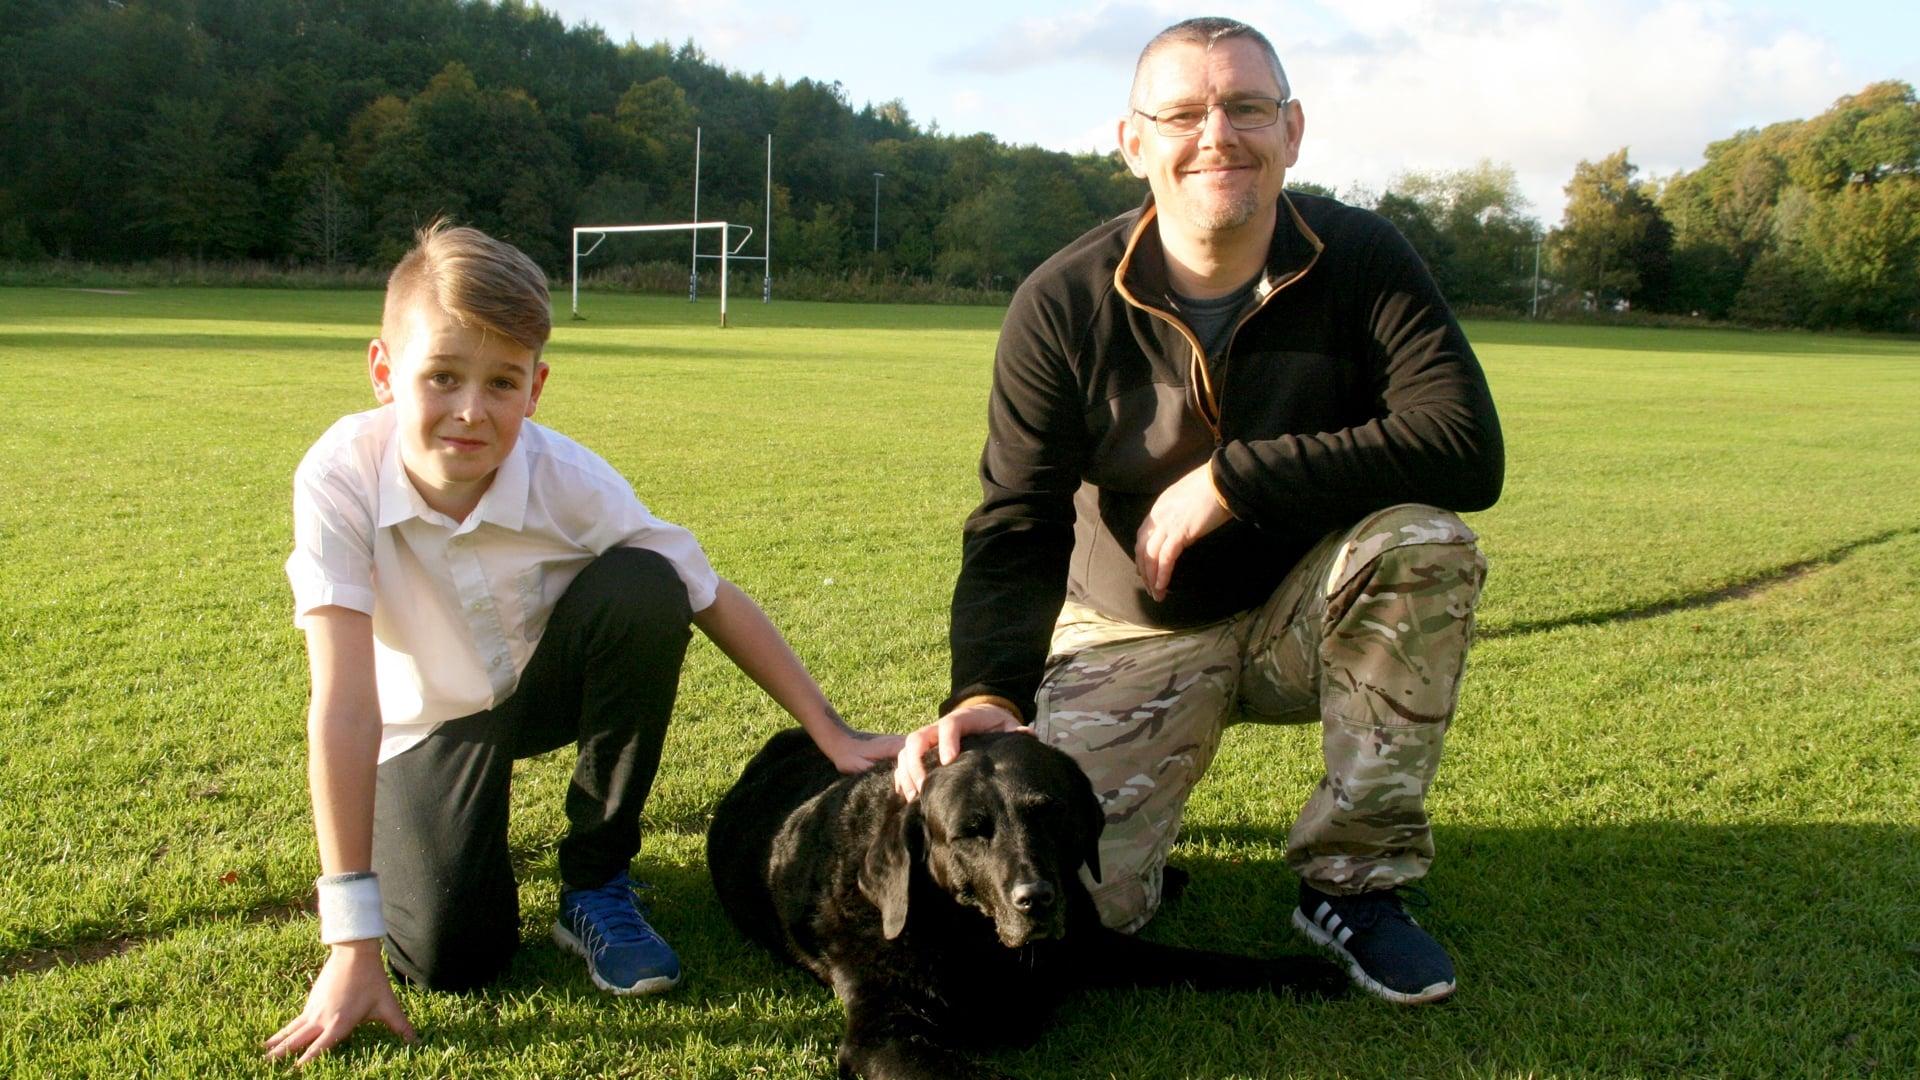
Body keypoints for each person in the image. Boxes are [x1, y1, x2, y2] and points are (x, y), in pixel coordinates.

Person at [894, 17, 1503, 1005]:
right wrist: (987, 692)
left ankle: (1354, 884)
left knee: (1424, 543)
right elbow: (1017, 518)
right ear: (1134, 143)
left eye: (1246, 107)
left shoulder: (1361, 258)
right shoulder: (1062, 302)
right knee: (1089, 906)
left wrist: (1234, 478)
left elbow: (1465, 447)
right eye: (1181, 113)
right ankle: (1147, 833)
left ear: (1292, 129)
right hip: (1131, 626)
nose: (1216, 134)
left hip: (1301, 613)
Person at [266, 220, 902, 1063]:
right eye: (442, 376)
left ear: (536, 387)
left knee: (648, 583)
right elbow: (345, 705)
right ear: (384, 372)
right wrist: (351, 943)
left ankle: (595, 879)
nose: (470, 410)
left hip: (537, 689)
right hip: (429, 721)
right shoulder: (338, 476)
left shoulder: (572, 480)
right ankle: (461, 848)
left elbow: (710, 597)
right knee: (454, 960)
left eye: (502, 382)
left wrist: (832, 730)